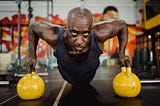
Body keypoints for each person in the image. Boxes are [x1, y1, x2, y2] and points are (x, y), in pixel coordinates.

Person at [27, 7, 132, 87]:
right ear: (66, 28)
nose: (79, 41)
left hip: (89, 74)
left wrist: (122, 54)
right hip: (66, 74)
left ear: (92, 30)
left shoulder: (99, 33)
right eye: (74, 34)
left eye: (85, 34)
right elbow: (33, 27)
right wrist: (32, 55)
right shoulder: (54, 36)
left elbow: (122, 25)